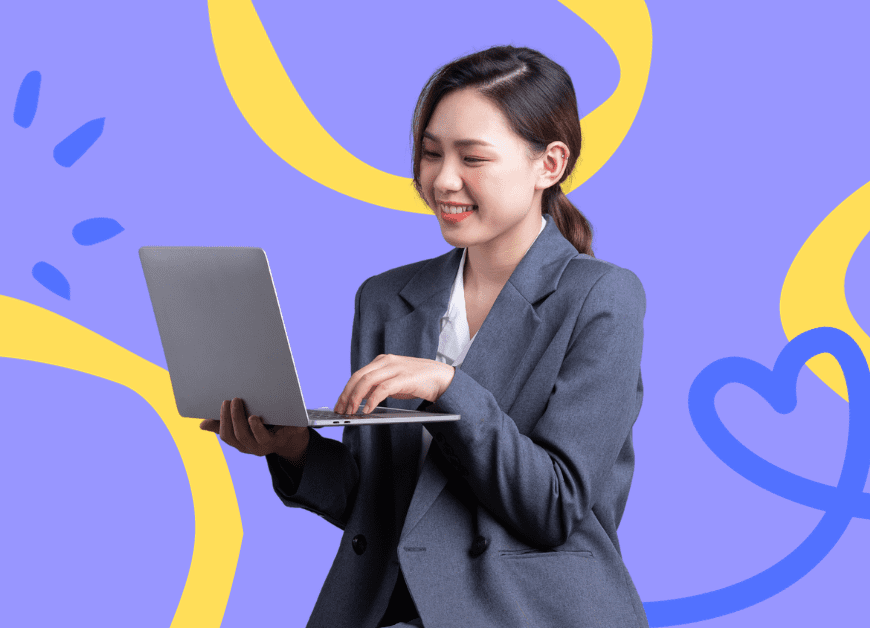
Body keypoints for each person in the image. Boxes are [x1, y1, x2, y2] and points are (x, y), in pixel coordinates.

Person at [200, 45, 648, 628]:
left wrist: (448, 385)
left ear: (550, 164)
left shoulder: (601, 297)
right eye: (431, 153)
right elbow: (393, 507)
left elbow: (553, 505)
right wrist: (295, 449)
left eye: (473, 157)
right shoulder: (386, 298)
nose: (443, 179)